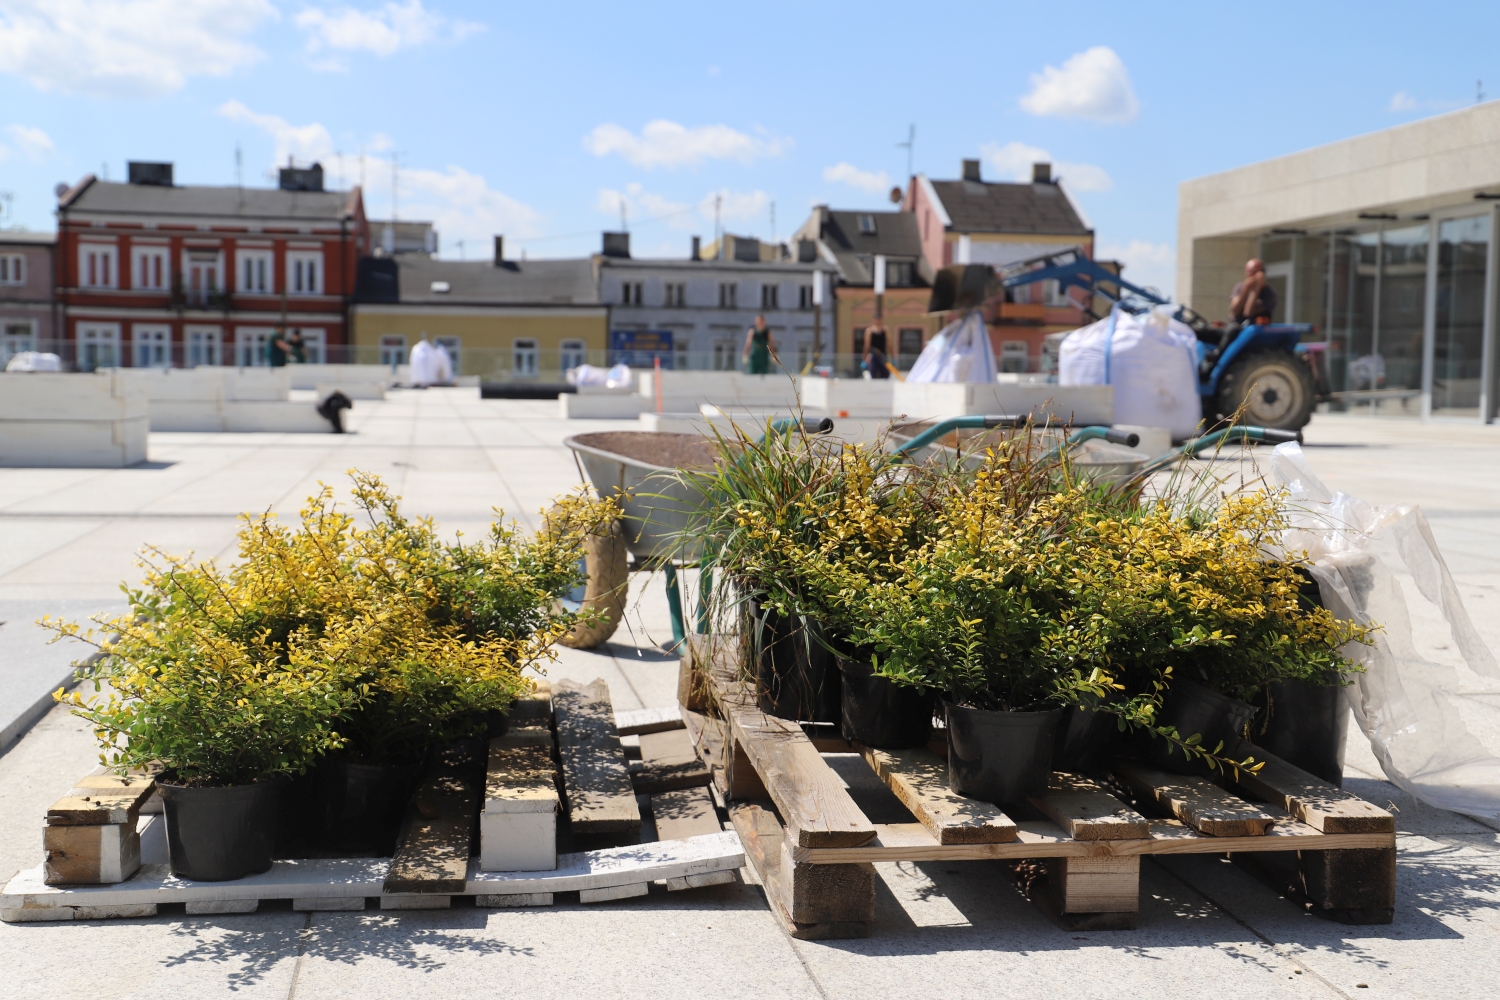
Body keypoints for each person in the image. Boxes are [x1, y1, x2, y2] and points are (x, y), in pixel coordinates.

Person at [1229, 258, 1278, 326]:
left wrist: (1256, 289)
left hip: (1255, 328)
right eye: (1248, 272)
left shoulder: (1269, 294)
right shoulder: (1239, 288)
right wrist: (1246, 289)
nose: (1249, 275)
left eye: (1253, 272)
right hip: (1236, 325)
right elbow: (1235, 311)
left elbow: (1248, 312)